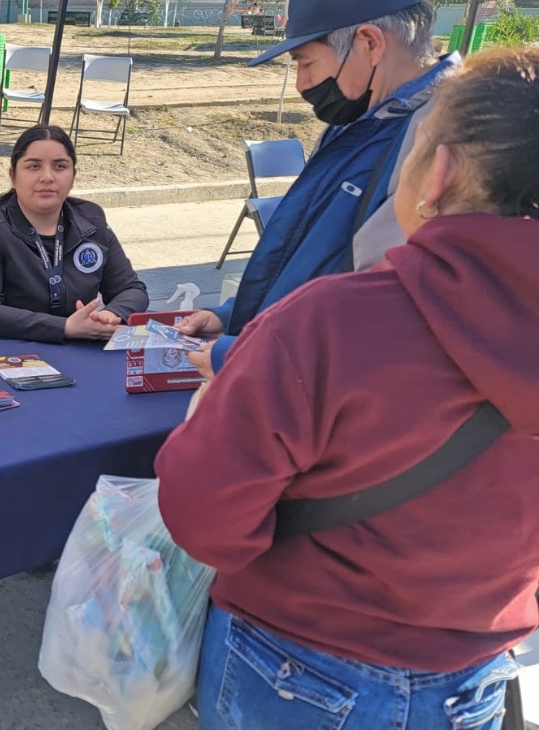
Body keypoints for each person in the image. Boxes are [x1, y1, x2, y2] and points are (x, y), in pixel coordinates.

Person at [156, 48, 539, 730]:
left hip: (296, 665)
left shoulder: (331, 322)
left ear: (438, 174)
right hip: (475, 677)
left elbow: (202, 514)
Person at [176, 0, 460, 378]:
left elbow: (385, 313)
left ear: (369, 43)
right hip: (288, 366)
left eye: (305, 62)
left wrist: (255, 357)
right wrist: (236, 316)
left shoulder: (444, 136)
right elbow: (308, 248)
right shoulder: (359, 117)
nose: (302, 84)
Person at [0, 125, 147, 342]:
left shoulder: (91, 220)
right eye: (34, 166)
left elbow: (132, 289)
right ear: (13, 176)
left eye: (59, 166)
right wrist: (64, 327)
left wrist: (111, 315)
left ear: (73, 175)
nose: (47, 177)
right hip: (8, 354)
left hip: (81, 348)